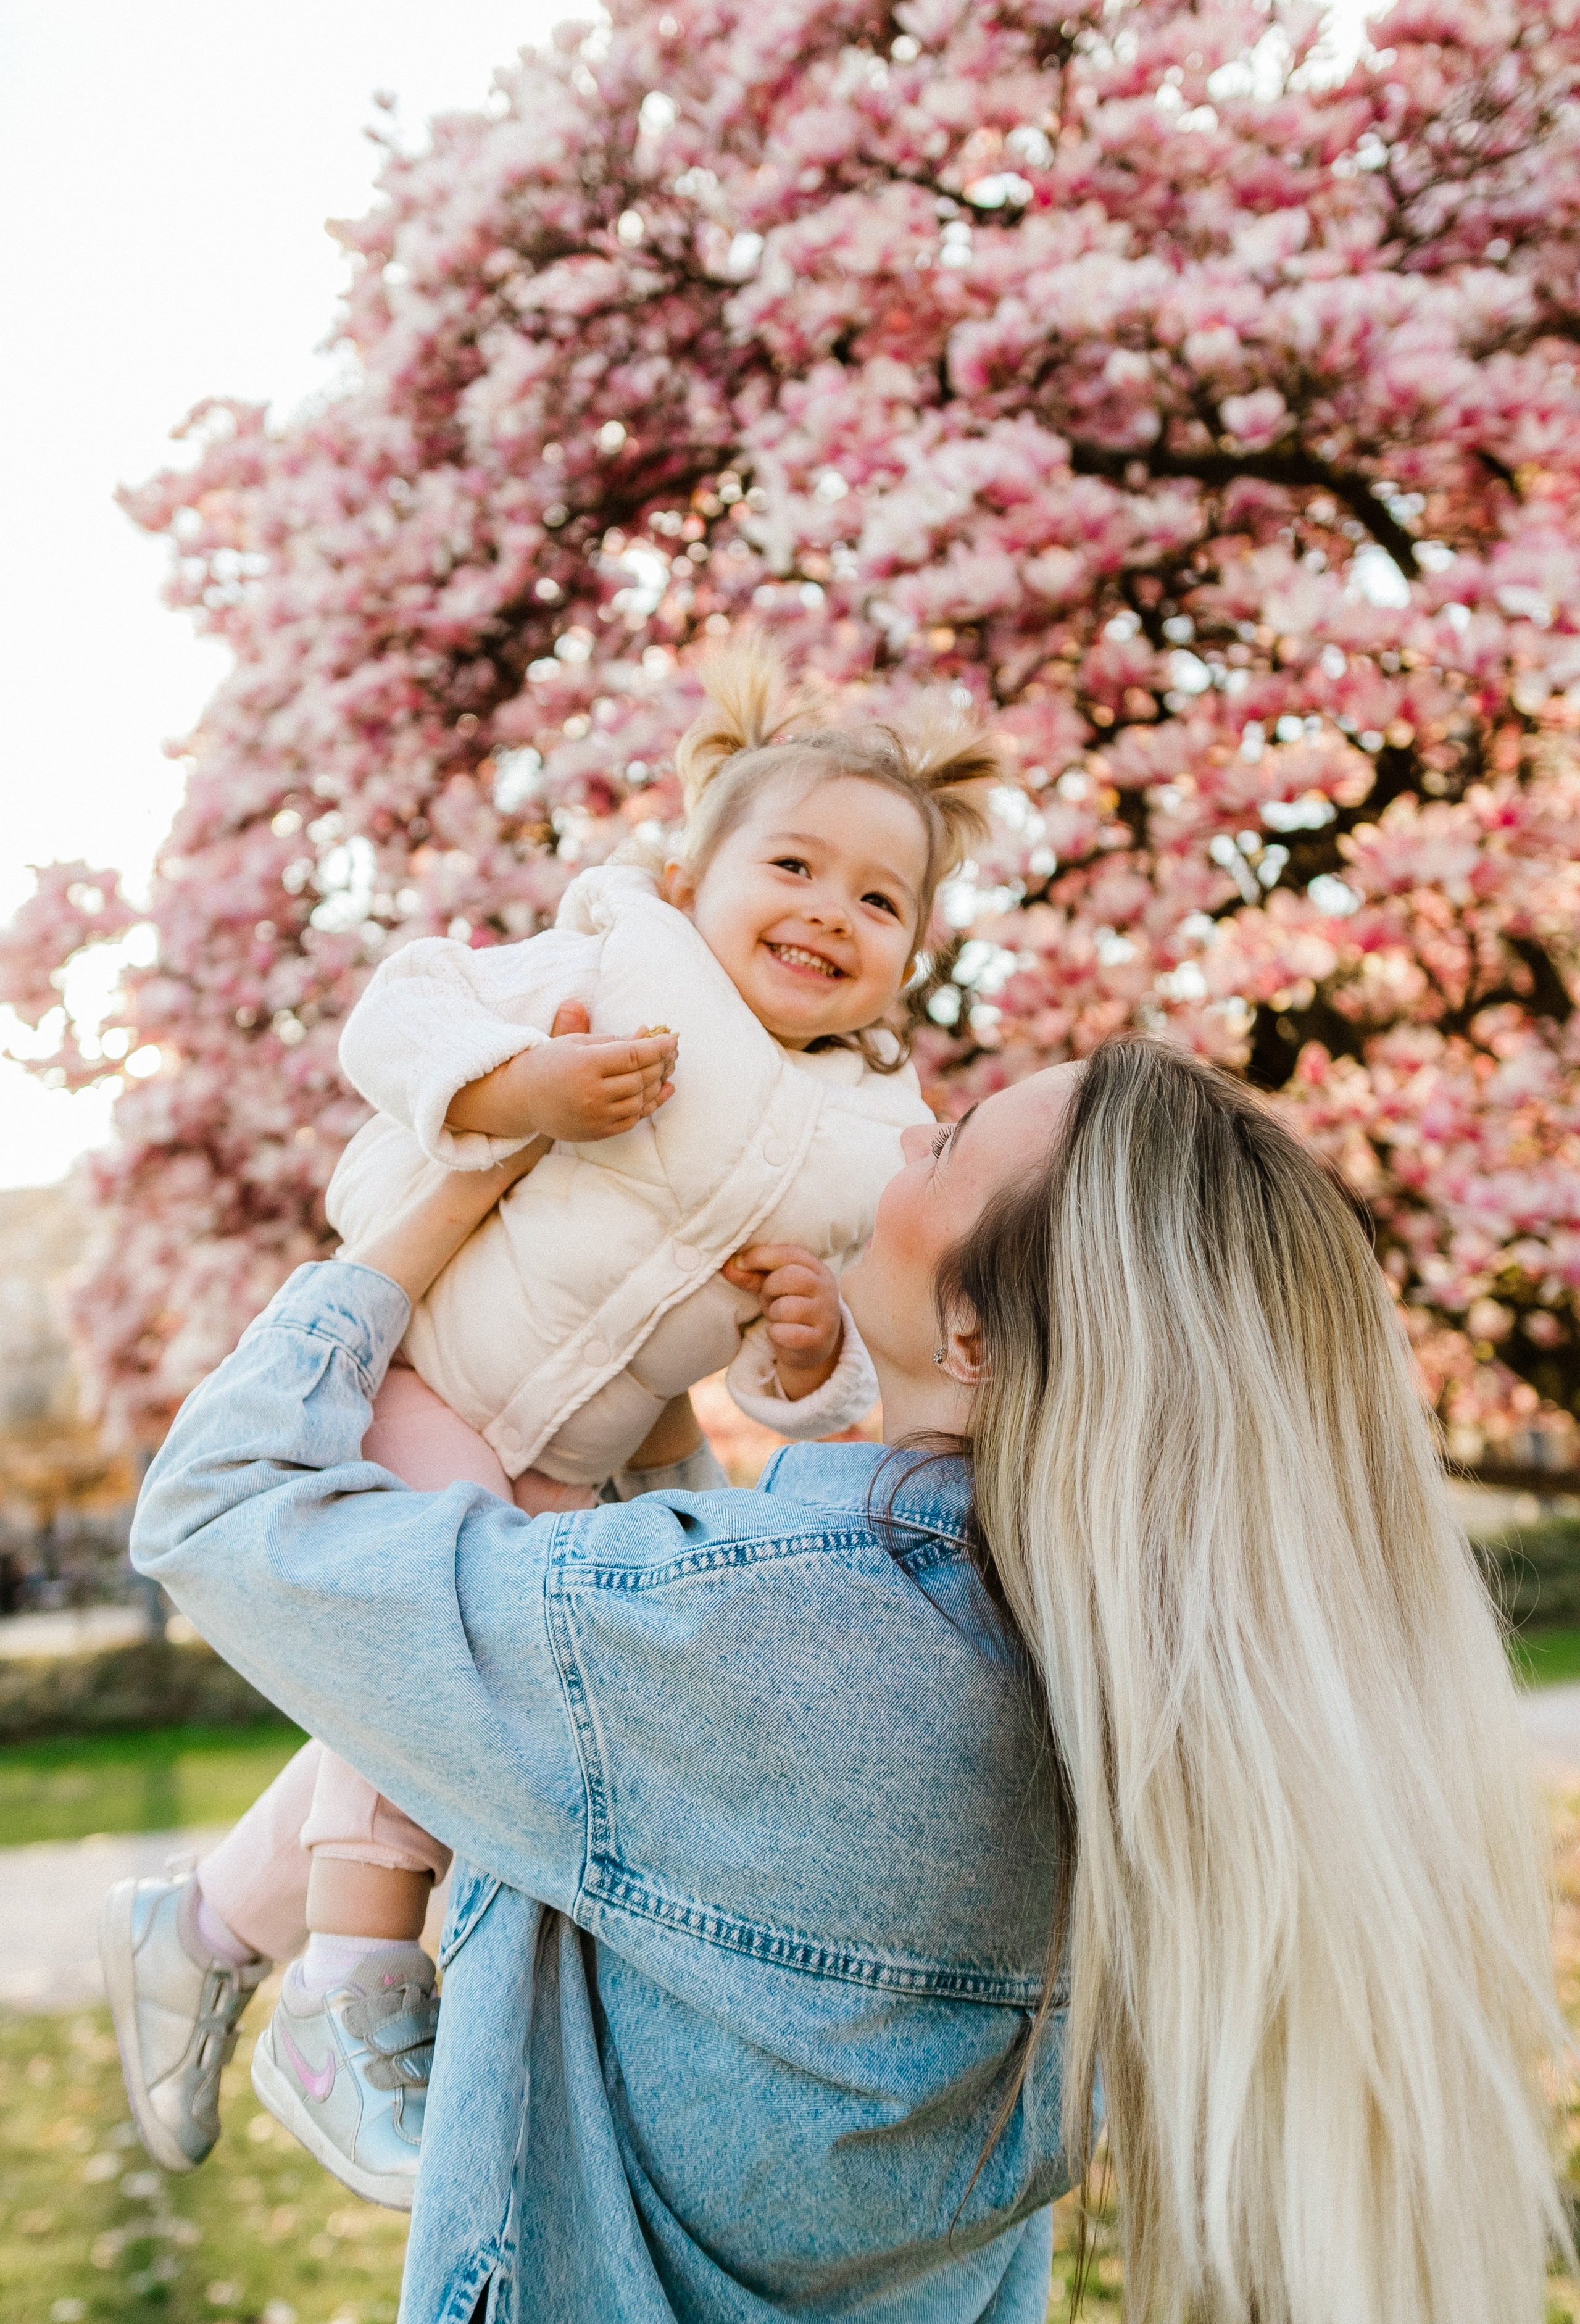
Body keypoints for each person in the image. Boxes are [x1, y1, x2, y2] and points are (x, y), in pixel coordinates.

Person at [117, 1035, 1563, 2323]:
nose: (894, 1152)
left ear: (976, 1338)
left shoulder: (748, 1637)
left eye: (942, 1145)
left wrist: (447, 1198)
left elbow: (219, 1506)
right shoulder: (1148, 1723)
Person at [99, 638, 998, 2204]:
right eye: (790, 865)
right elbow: (400, 1012)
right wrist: (515, 1086)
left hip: (568, 1458)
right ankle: (352, 1987)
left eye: (877, 902)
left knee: (450, 1678)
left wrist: (801, 1344)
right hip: (426, 1372)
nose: (826, 914)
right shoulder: (622, 970)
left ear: (912, 953)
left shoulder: (874, 1132)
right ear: (685, 871)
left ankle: (203, 1931)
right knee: (447, 1646)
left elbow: (847, 1368)